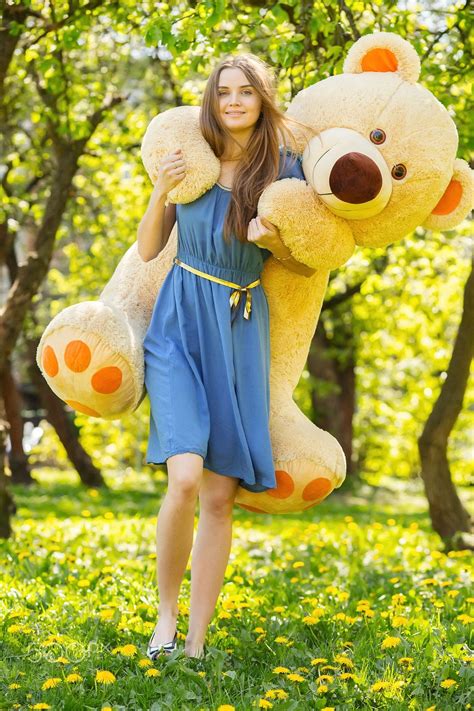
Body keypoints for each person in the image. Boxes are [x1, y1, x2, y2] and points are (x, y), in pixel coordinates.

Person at [137, 54, 315, 660]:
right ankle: (164, 619)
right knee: (184, 477)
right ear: (210, 102)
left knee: (219, 495)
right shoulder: (192, 156)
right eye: (223, 93)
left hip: (239, 329)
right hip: (181, 323)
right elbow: (148, 247)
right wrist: (160, 189)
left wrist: (278, 243)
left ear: (263, 99)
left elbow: (302, 263)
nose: (233, 102)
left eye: (245, 92)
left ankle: (196, 642)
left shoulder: (286, 171)